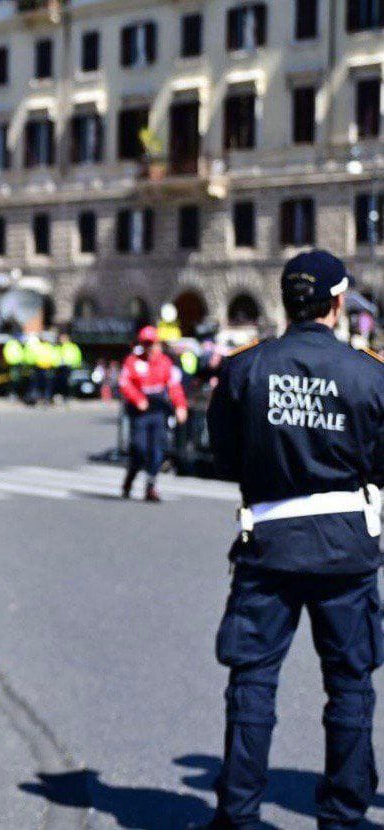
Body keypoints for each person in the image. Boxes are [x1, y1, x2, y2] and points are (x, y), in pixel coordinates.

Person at [204, 250, 384, 830]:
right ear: (338, 302)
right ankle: (344, 816)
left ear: (286, 300)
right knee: (350, 684)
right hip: (345, 547)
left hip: (269, 544)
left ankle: (239, 815)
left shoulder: (243, 369)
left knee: (253, 682)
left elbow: (225, 456)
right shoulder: (370, 374)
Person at [118, 325, 188, 501]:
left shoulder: (165, 362)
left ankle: (150, 486)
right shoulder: (133, 361)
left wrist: (180, 406)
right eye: (146, 344)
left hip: (158, 412)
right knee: (139, 449)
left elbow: (174, 386)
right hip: (140, 413)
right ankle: (130, 477)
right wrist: (137, 399)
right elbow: (124, 383)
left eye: (152, 344)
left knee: (156, 450)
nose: (150, 348)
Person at [56, 331, 83, 401]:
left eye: (63, 338)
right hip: (60, 367)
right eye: (61, 338)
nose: (61, 340)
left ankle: (68, 396)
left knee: (68, 382)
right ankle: (63, 395)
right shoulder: (59, 347)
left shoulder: (73, 347)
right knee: (61, 382)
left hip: (69, 367)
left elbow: (77, 356)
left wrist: (75, 364)